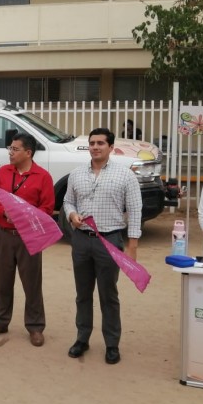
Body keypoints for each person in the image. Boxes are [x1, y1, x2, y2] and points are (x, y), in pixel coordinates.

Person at [63, 127, 142, 364]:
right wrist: (72, 214)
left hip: (110, 241)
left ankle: (112, 344)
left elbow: (135, 209)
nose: (95, 147)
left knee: (109, 294)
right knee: (82, 293)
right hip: (81, 241)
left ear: (110, 147)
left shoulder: (125, 175)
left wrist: (132, 245)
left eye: (100, 143)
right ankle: (82, 338)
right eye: (92, 143)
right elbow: (67, 201)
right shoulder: (77, 174)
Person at [0, 132, 54, 347]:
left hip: (29, 237)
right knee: (2, 280)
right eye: (10, 149)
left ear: (28, 152)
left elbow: (47, 208)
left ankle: (35, 326)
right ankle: (0, 321)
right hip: (4, 234)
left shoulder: (43, 176)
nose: (10, 153)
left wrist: (26, 216)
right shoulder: (3, 172)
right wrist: (3, 212)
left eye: (15, 149)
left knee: (32, 282)